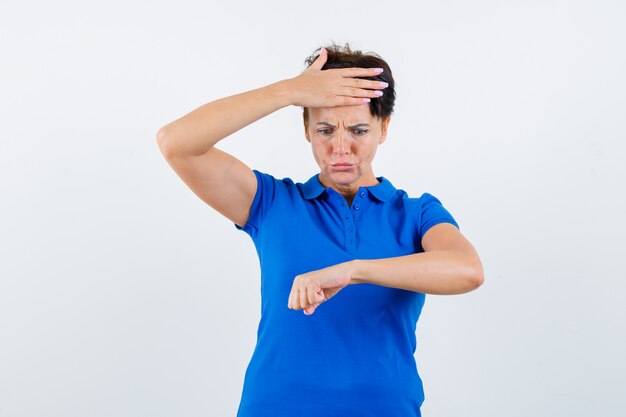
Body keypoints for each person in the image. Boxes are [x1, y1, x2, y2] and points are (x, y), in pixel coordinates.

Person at [156, 43, 484, 417]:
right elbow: (176, 143)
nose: (340, 148)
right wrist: (288, 91)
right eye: (325, 129)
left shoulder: (416, 213)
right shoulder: (271, 203)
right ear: (307, 130)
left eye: (359, 130)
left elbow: (468, 270)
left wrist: (354, 270)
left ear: (384, 128)